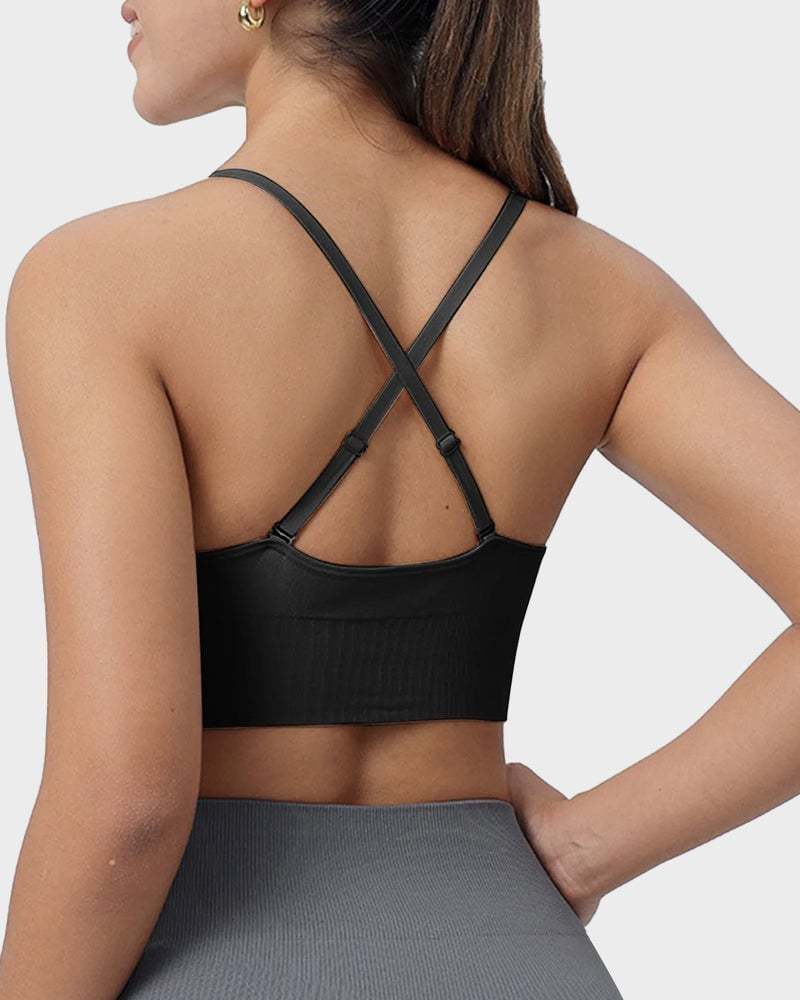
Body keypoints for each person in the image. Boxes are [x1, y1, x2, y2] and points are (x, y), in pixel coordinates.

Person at [1, 1, 798, 998]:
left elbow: (128, 804)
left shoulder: (100, 280)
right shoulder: (605, 290)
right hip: (520, 954)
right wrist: (586, 846)